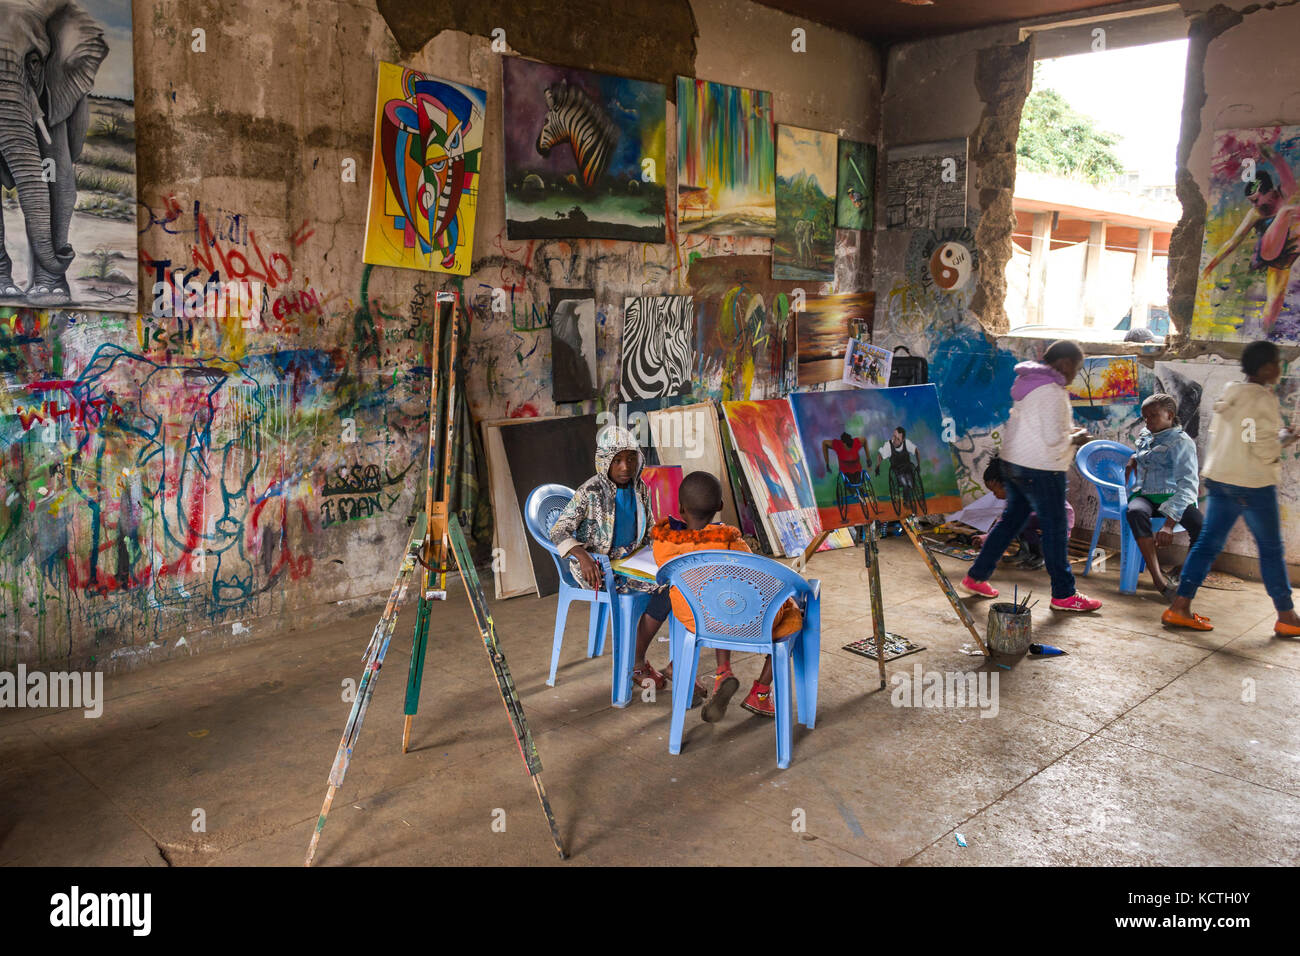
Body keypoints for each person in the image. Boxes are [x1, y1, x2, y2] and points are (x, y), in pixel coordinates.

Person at [548, 426, 707, 704]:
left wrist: (669, 542)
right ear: (604, 461)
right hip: (598, 566)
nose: (625, 467)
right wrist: (583, 556)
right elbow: (559, 530)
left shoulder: (640, 489)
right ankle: (637, 661)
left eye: (631, 459)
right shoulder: (590, 492)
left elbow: (647, 533)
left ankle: (671, 663)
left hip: (632, 559)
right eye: (618, 460)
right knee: (666, 590)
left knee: (677, 584)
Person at [1163, 341, 1300, 635]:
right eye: (1276, 363)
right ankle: (1287, 617)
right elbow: (1261, 448)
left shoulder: (1231, 391)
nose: (1279, 368)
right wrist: (1286, 439)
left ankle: (1179, 607)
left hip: (1221, 479)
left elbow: (1244, 435)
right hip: (1252, 485)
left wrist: (1273, 436)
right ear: (1265, 368)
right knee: (1271, 549)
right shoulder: (1262, 398)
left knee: (1208, 545)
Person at [960, 340, 1102, 612]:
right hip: (1041, 468)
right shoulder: (1051, 391)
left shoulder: (1030, 383)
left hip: (1014, 464)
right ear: (1065, 364)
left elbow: (1040, 429)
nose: (1075, 376)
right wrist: (1076, 437)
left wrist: (1068, 433)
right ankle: (1064, 594)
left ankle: (976, 576)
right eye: (1076, 368)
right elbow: (1052, 438)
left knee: (1011, 522)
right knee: (1056, 530)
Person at [650, 471, 802, 720]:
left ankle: (723, 672)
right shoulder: (730, 542)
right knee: (791, 613)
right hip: (745, 623)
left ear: (680, 508)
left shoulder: (664, 544)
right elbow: (757, 577)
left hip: (695, 620)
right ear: (720, 506)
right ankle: (761, 692)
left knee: (715, 600)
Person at [1201, 144, 1300, 333]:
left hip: (1288, 253)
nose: (1255, 205)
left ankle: (1266, 334)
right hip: (1271, 251)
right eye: (1251, 202)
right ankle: (1287, 214)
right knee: (1289, 211)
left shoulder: (1286, 190)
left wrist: (1270, 155)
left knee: (1275, 300)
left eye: (1256, 199)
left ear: (1271, 192)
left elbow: (1283, 169)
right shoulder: (1255, 213)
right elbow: (1233, 241)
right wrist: (1211, 265)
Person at [1124, 393, 1204, 599]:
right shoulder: (1146, 434)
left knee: (1201, 527)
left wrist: (1168, 524)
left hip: (1173, 496)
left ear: (1169, 415)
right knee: (1134, 512)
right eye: (1145, 417)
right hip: (1146, 493)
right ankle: (1158, 578)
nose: (1147, 421)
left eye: (1153, 416)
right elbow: (1146, 455)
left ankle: (1184, 574)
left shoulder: (1182, 443)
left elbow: (1187, 486)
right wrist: (1134, 458)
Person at [973, 456, 1075, 570]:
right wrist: (984, 538)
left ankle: (1041, 557)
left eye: (994, 491)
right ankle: (1027, 553)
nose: (994, 495)